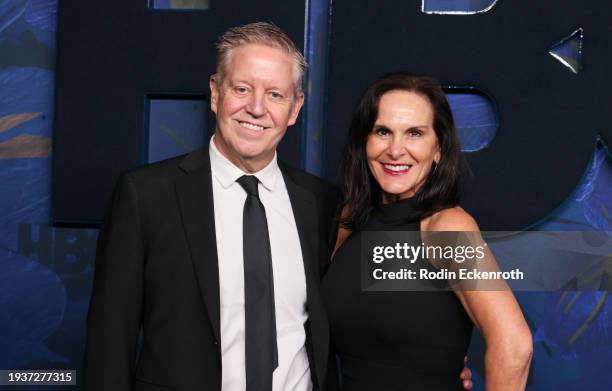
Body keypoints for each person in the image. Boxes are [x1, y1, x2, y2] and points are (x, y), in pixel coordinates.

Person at [83, 22, 338, 391]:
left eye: (275, 95)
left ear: (295, 108)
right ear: (216, 93)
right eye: (242, 88)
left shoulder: (321, 202)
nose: (255, 108)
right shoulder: (146, 195)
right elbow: (110, 340)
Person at [321, 73, 533, 390]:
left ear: (438, 149)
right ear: (364, 141)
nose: (396, 150)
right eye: (383, 131)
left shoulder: (447, 227)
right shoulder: (348, 220)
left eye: (414, 134)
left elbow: (515, 346)